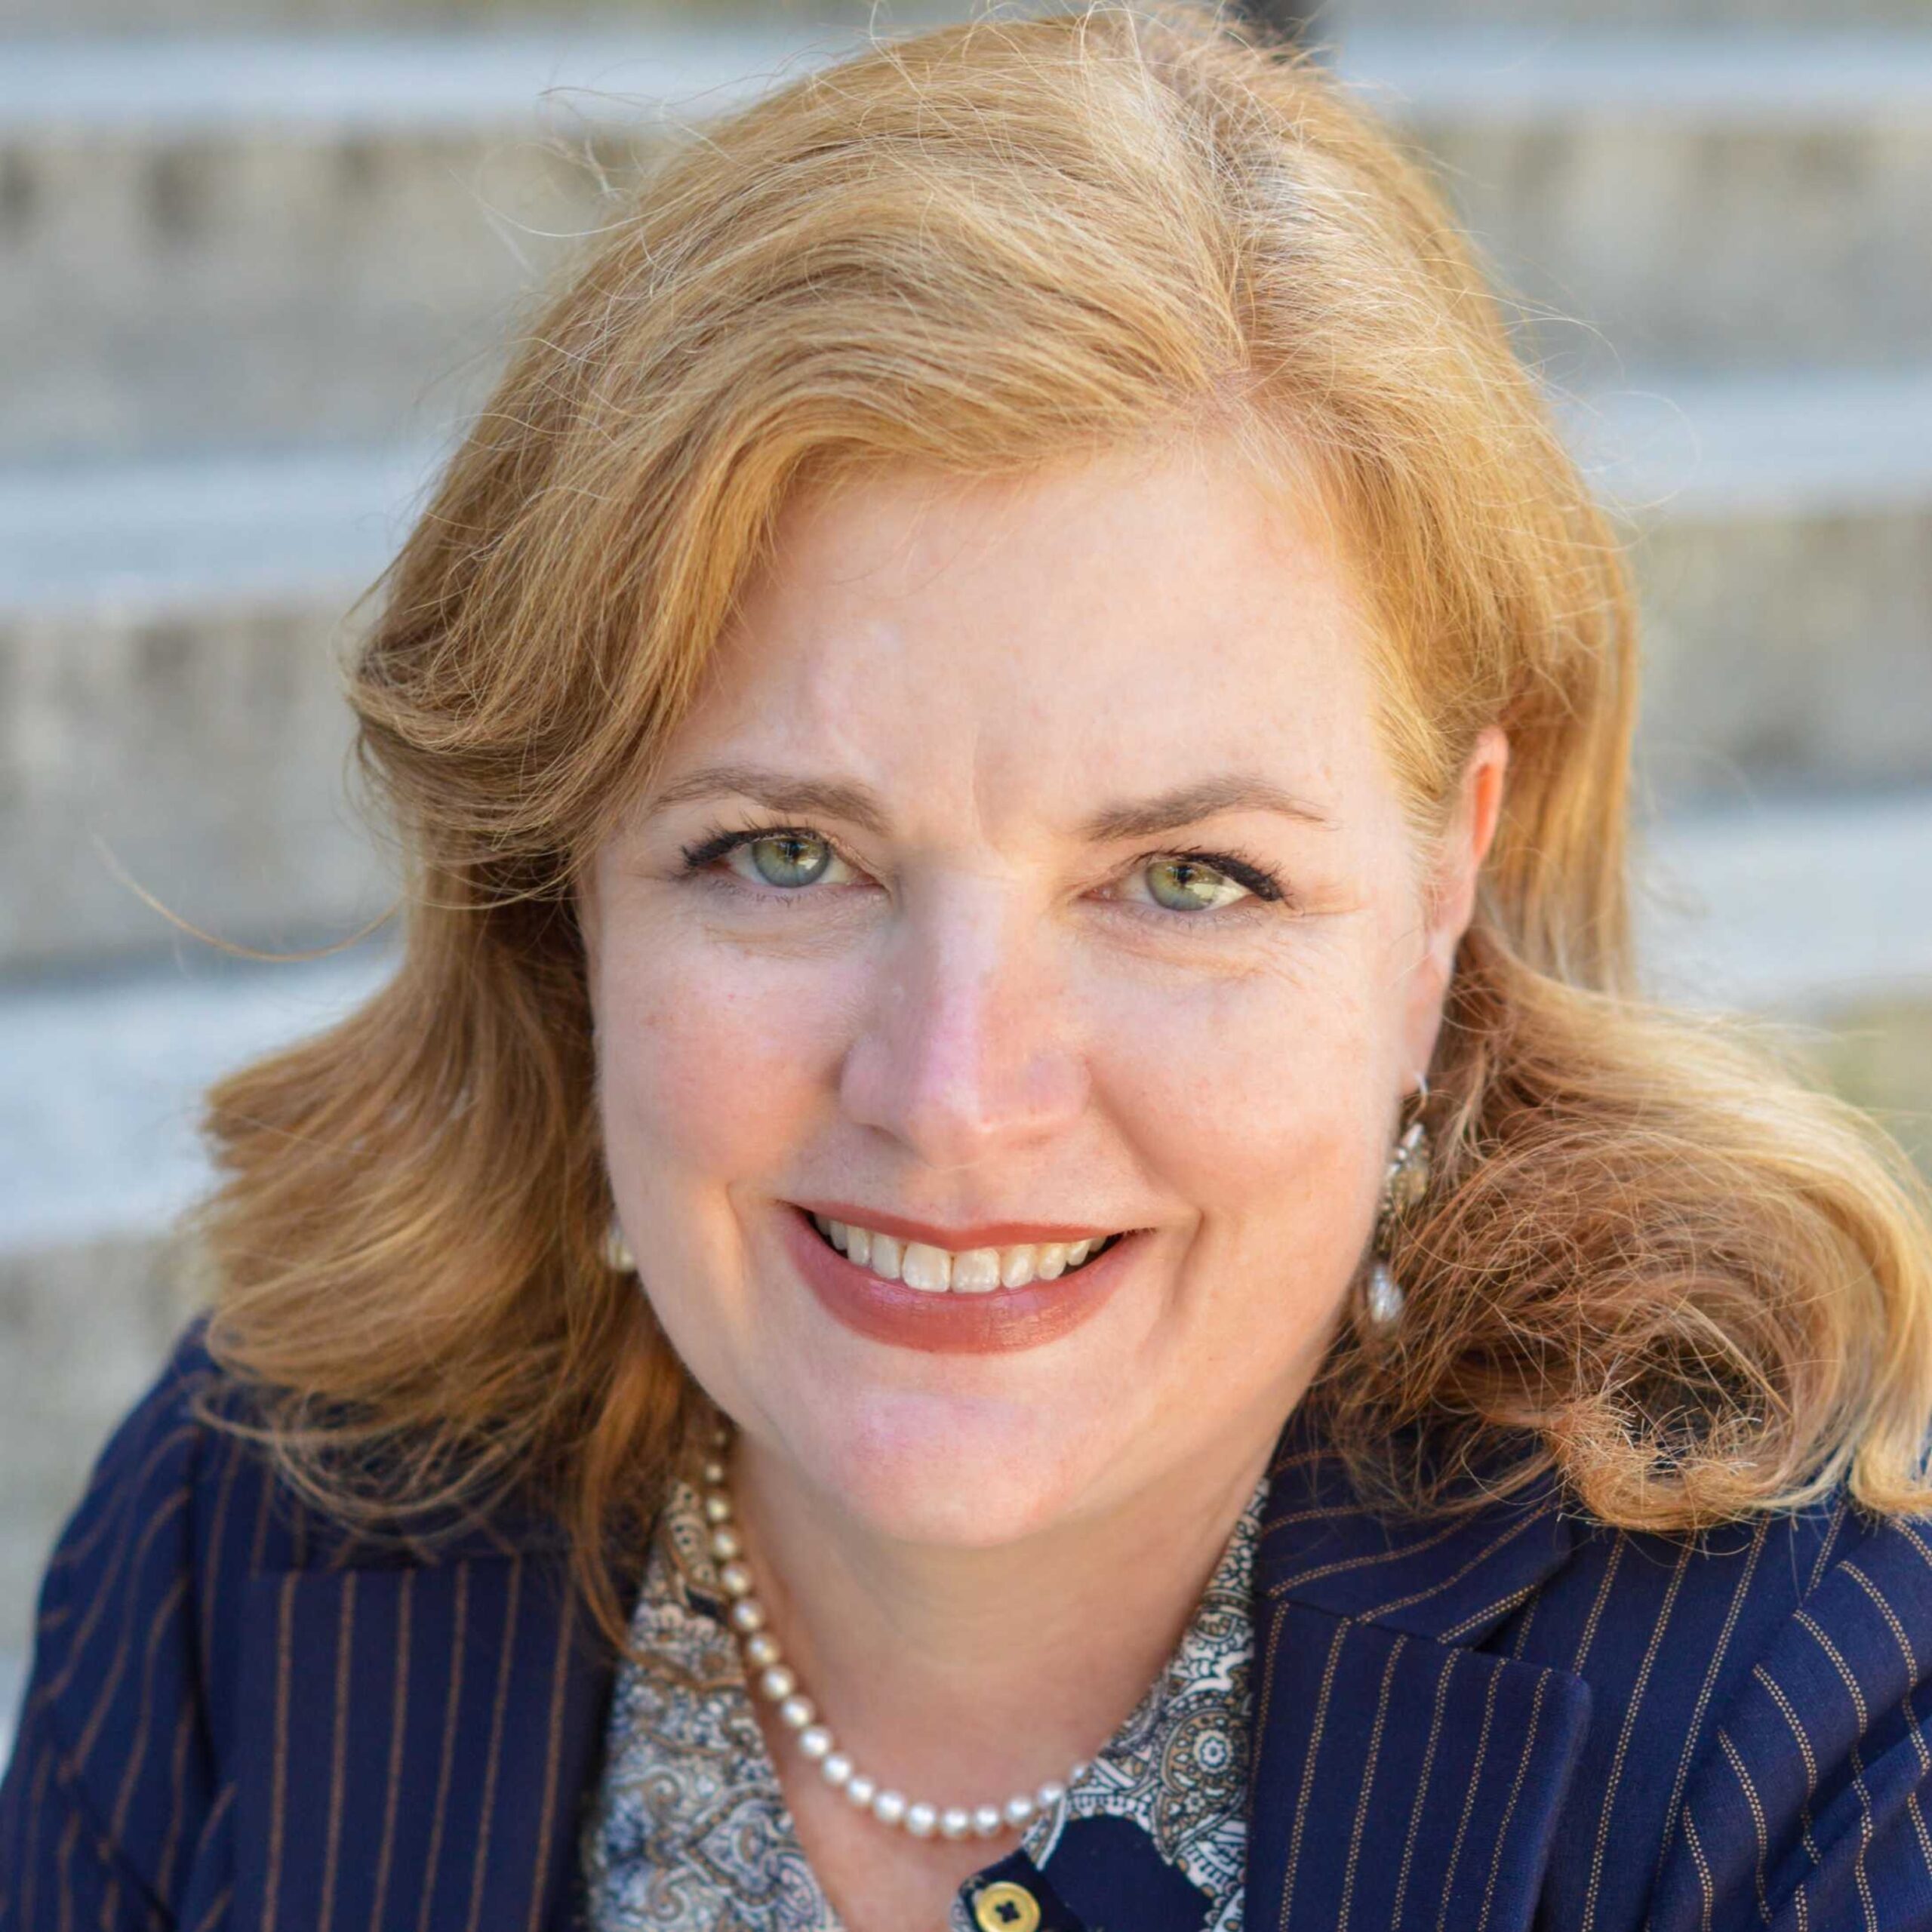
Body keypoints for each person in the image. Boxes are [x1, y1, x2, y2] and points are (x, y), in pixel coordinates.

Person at [5, 5, 1932, 1928]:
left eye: (1186, 877)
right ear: (564, 888)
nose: (948, 1091)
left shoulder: (1792, 1725)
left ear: (1445, 893)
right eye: (782, 853)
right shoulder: (246, 1526)